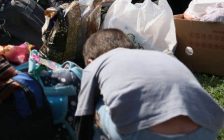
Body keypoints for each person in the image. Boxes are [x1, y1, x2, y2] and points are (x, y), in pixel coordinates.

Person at [76, 29, 224, 139]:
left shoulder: (95, 65)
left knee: (97, 102)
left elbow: (83, 115)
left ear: (90, 61)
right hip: (206, 128)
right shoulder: (160, 56)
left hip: (142, 133)